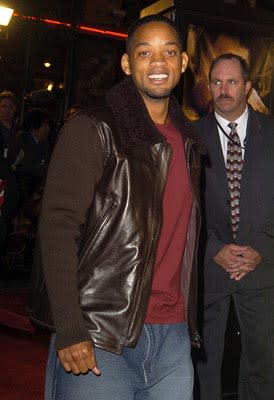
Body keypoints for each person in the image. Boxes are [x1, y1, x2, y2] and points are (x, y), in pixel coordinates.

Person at [28, 14, 203, 400]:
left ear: (184, 63)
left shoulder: (189, 143)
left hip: (172, 338)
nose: (158, 63)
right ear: (127, 64)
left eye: (169, 52)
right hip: (100, 334)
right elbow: (57, 228)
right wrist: (71, 328)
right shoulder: (94, 129)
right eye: (145, 53)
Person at [195, 53, 274, 399]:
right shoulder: (189, 137)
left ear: (248, 87)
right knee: (202, 367)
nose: (223, 90)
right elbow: (178, 210)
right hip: (208, 272)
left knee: (264, 365)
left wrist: (263, 249)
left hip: (263, 271)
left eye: (231, 82)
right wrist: (213, 249)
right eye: (216, 82)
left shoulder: (271, 134)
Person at [0, 90, 21, 164]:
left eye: (10, 106)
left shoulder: (20, 129)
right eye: (3, 106)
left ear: (14, 109)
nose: (7, 110)